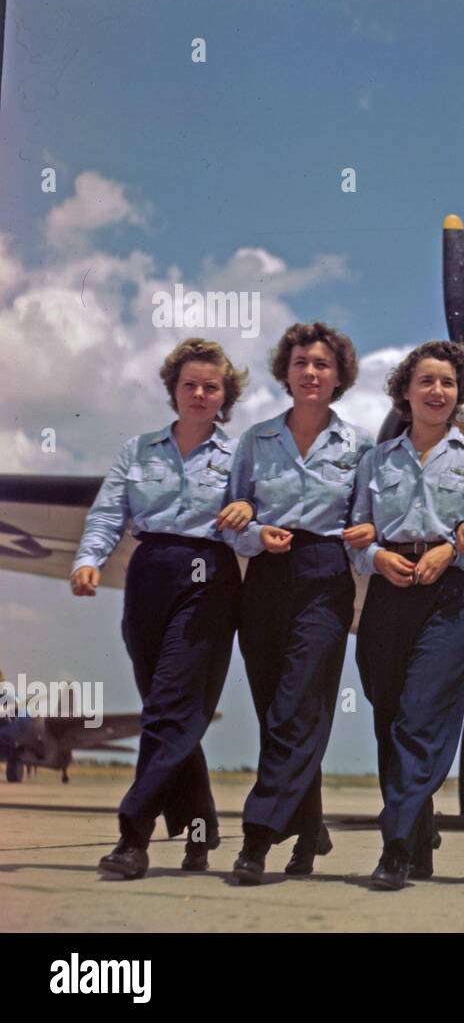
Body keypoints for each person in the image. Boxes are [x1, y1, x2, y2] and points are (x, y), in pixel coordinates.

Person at [72, 338, 251, 878]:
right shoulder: (138, 451)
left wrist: (249, 517)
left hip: (208, 578)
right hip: (147, 574)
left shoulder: (242, 456)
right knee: (166, 711)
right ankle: (201, 831)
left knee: (172, 707)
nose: (199, 393)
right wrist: (89, 560)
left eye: (211, 386)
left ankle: (133, 835)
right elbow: (109, 513)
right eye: (189, 384)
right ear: (174, 389)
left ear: (226, 396)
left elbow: (260, 529)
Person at [349, 340, 464, 890]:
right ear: (405, 392)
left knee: (420, 718)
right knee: (389, 718)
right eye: (426, 382)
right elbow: (356, 534)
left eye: (448, 383)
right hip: (390, 594)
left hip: (451, 595)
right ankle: (417, 840)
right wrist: (375, 557)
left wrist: (459, 547)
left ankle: (393, 847)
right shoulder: (375, 460)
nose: (438, 391)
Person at [226, 322, 375, 884]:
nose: (310, 373)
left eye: (321, 365)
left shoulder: (360, 447)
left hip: (323, 576)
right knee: (277, 715)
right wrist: (251, 532)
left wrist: (372, 550)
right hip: (265, 576)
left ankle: (257, 838)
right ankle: (309, 832)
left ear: (339, 377)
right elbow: (233, 517)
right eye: (300, 363)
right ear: (285, 373)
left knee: (296, 708)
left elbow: (362, 527)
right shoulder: (255, 440)